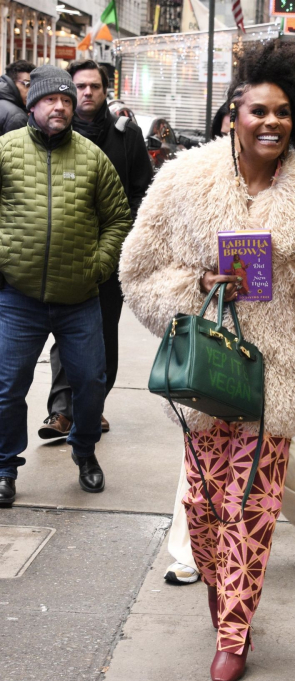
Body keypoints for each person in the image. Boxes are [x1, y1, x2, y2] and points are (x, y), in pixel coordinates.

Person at [120, 41, 295, 681]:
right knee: (204, 513)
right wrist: (196, 285)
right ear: (235, 113)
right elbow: (139, 272)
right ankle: (221, 596)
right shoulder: (183, 181)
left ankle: (235, 630)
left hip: (278, 383)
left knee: (252, 512)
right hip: (206, 375)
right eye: (259, 110)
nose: (271, 123)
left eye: (284, 113)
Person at [0, 65, 131, 508]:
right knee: (6, 387)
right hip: (18, 299)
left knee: (91, 383)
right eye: (50, 99)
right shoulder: (5, 150)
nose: (59, 106)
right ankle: (3, 467)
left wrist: (99, 264)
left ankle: (85, 452)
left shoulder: (93, 158)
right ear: (32, 104)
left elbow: (118, 219)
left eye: (66, 100)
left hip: (80, 300)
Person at [38, 60, 152, 441]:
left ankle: (93, 406)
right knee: (62, 332)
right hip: (64, 254)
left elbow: (143, 190)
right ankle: (62, 411)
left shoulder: (125, 133)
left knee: (103, 331)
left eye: (94, 87)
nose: (86, 93)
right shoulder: (55, 133)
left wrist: (126, 236)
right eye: (80, 87)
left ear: (105, 91)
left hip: (112, 253)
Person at [0, 60, 35, 135]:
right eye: (27, 84)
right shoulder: (17, 117)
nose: (31, 90)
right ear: (12, 82)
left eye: (33, 85)